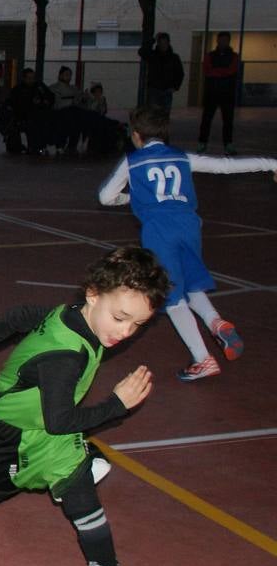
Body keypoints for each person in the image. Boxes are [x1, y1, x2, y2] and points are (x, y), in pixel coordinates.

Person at [0, 246, 169, 566]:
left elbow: (21, 316)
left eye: (138, 325)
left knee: (80, 492)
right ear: (93, 294)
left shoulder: (75, 316)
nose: (125, 333)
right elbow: (62, 421)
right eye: (121, 318)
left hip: (53, 426)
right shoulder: (64, 358)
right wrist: (117, 404)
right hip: (8, 426)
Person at [97, 106, 277, 380]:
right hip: (189, 227)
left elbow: (105, 197)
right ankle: (216, 323)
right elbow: (225, 167)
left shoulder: (132, 162)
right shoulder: (182, 157)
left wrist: (129, 199)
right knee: (191, 284)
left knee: (172, 299)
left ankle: (203, 359)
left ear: (136, 135)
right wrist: (271, 164)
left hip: (160, 232)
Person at [199, 31, 241, 155]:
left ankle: (228, 144)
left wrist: (217, 72)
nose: (223, 42)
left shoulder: (234, 56)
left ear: (228, 41)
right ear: (217, 41)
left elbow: (232, 70)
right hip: (212, 93)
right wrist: (223, 73)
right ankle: (202, 143)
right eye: (221, 40)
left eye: (225, 40)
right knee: (206, 119)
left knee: (228, 121)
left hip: (227, 94)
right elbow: (207, 70)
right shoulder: (210, 55)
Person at [139, 32, 184, 117]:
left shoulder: (174, 57)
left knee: (164, 117)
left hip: (167, 91)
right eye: (161, 43)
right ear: (158, 43)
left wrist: (175, 87)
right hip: (154, 90)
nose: (163, 45)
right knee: (152, 116)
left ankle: (162, 130)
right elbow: (141, 51)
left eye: (165, 43)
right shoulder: (153, 55)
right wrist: (153, 40)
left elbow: (180, 73)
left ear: (168, 43)